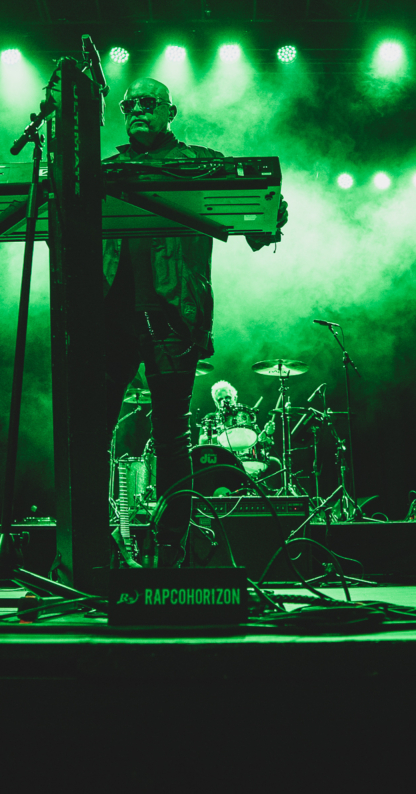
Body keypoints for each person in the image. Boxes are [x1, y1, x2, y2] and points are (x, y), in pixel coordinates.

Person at [102, 78, 286, 567]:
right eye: (128, 105)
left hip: (172, 315)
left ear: (170, 112)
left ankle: (170, 550)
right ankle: (99, 546)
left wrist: (269, 217)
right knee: (91, 429)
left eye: (147, 103)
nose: (137, 110)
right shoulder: (108, 170)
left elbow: (258, 215)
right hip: (109, 319)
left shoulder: (197, 162)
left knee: (170, 435)